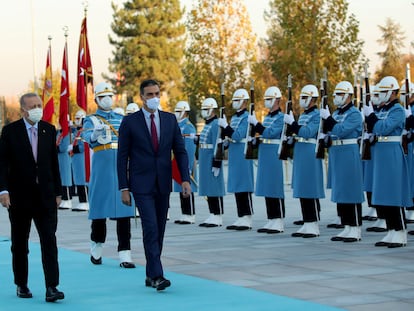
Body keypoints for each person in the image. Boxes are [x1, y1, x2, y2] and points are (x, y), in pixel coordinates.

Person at [117, 79, 191, 291]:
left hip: (163, 183)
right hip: (140, 184)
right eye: (149, 94)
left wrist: (184, 179)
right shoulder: (130, 122)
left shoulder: (169, 120)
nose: (154, 98)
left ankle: (151, 273)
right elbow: (122, 157)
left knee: (159, 228)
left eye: (157, 93)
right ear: (142, 97)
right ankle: (158, 275)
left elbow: (180, 151)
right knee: (150, 226)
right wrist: (124, 187)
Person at [0, 93, 64, 302]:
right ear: (23, 110)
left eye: (39, 105)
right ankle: (22, 283)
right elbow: (2, 164)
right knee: (20, 243)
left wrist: (58, 192)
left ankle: (52, 287)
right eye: (32, 106)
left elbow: (54, 163)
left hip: (45, 196)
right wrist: (3, 190)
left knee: (49, 241)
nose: (37, 109)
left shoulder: (48, 129)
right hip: (19, 197)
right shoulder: (10, 132)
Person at [81, 82, 136, 268]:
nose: (107, 99)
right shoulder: (91, 119)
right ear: (96, 99)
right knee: (99, 209)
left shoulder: (121, 118)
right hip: (102, 166)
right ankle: (96, 245)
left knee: (124, 210)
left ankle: (125, 252)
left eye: (109, 96)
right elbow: (87, 139)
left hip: (121, 164)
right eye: (103, 96)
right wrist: (94, 136)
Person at [363, 76, 411, 247]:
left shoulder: (397, 110)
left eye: (384, 91)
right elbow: (375, 128)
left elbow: (383, 127)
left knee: (393, 193)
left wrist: (371, 117)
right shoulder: (382, 110)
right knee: (383, 192)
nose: (381, 95)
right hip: (380, 152)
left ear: (392, 92)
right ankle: (391, 230)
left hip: (391, 151)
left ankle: (400, 232)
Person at [320, 81, 364, 242]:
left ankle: (355, 227)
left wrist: (329, 120)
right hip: (337, 152)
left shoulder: (354, 113)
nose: (336, 98)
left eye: (339, 94)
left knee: (351, 189)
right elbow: (333, 132)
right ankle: (347, 226)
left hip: (348, 151)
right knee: (341, 190)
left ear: (348, 95)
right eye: (335, 95)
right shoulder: (337, 114)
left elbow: (341, 130)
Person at [284, 84, 325, 238]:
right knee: (302, 188)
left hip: (310, 152)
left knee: (310, 188)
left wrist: (293, 124)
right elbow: (300, 133)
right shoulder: (304, 114)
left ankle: (313, 223)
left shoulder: (317, 115)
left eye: (304, 97)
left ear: (312, 99)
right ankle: (307, 221)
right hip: (301, 151)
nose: (301, 100)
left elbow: (308, 132)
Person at [248, 86, 286, 234]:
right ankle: (271, 219)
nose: (267, 102)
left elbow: (271, 133)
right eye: (266, 99)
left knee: (274, 186)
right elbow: (265, 135)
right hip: (265, 153)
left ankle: (278, 220)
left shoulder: (281, 118)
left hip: (274, 154)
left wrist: (257, 124)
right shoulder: (269, 117)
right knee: (267, 186)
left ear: (277, 100)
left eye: (270, 99)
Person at [218, 88, 254, 230]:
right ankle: (241, 216)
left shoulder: (247, 117)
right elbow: (230, 136)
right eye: (234, 100)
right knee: (237, 184)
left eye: (237, 100)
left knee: (244, 184)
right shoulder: (234, 117)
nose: (234, 103)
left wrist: (225, 126)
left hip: (243, 152)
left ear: (245, 102)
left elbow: (238, 135)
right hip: (234, 152)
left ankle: (247, 217)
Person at [197, 98, 226, 227]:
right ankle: (212, 213)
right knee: (208, 187)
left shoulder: (215, 124)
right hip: (204, 157)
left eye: (206, 109)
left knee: (215, 187)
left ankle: (218, 215)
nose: (204, 112)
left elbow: (217, 144)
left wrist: (217, 162)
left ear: (213, 110)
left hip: (211, 158)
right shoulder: (208, 124)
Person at [173, 100, 197, 224]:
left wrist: (187, 164)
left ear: (185, 112)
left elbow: (189, 147)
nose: (176, 113)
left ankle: (190, 214)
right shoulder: (177, 125)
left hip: (186, 161)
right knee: (181, 188)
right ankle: (184, 213)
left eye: (179, 111)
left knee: (188, 188)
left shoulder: (188, 126)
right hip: (178, 161)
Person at [70, 109, 89, 211]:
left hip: (81, 158)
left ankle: (85, 201)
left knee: (83, 180)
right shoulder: (77, 132)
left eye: (78, 118)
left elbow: (83, 147)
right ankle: (81, 201)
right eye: (75, 118)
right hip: (76, 159)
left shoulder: (84, 131)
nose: (76, 120)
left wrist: (73, 148)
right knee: (78, 180)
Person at [56, 123, 73, 210]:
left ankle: (68, 199)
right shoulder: (59, 133)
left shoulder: (67, 134)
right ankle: (63, 199)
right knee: (61, 179)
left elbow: (63, 147)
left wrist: (55, 149)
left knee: (66, 179)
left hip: (65, 158)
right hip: (59, 158)